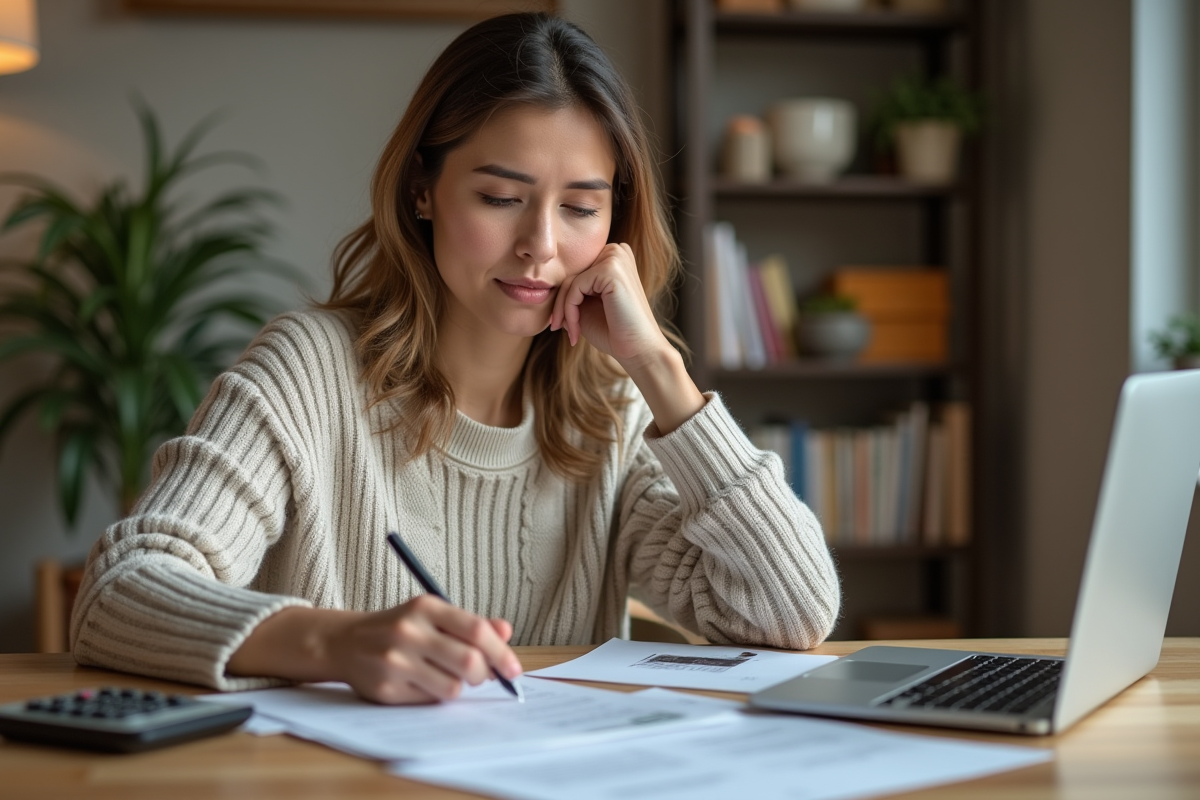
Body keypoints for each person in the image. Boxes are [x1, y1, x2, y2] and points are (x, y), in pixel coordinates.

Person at [70, 12, 839, 704]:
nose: (540, 244)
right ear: (422, 190)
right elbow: (119, 593)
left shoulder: (612, 407)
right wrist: (333, 642)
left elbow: (790, 614)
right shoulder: (307, 373)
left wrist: (661, 372)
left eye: (579, 206)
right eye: (501, 198)